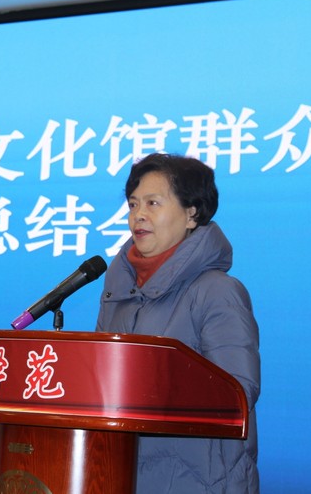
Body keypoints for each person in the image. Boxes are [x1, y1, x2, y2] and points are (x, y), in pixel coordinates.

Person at [96, 153, 260, 493]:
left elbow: (237, 394)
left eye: (153, 203)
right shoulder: (120, 293)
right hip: (121, 475)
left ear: (191, 214)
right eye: (133, 204)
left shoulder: (218, 292)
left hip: (198, 481)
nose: (138, 215)